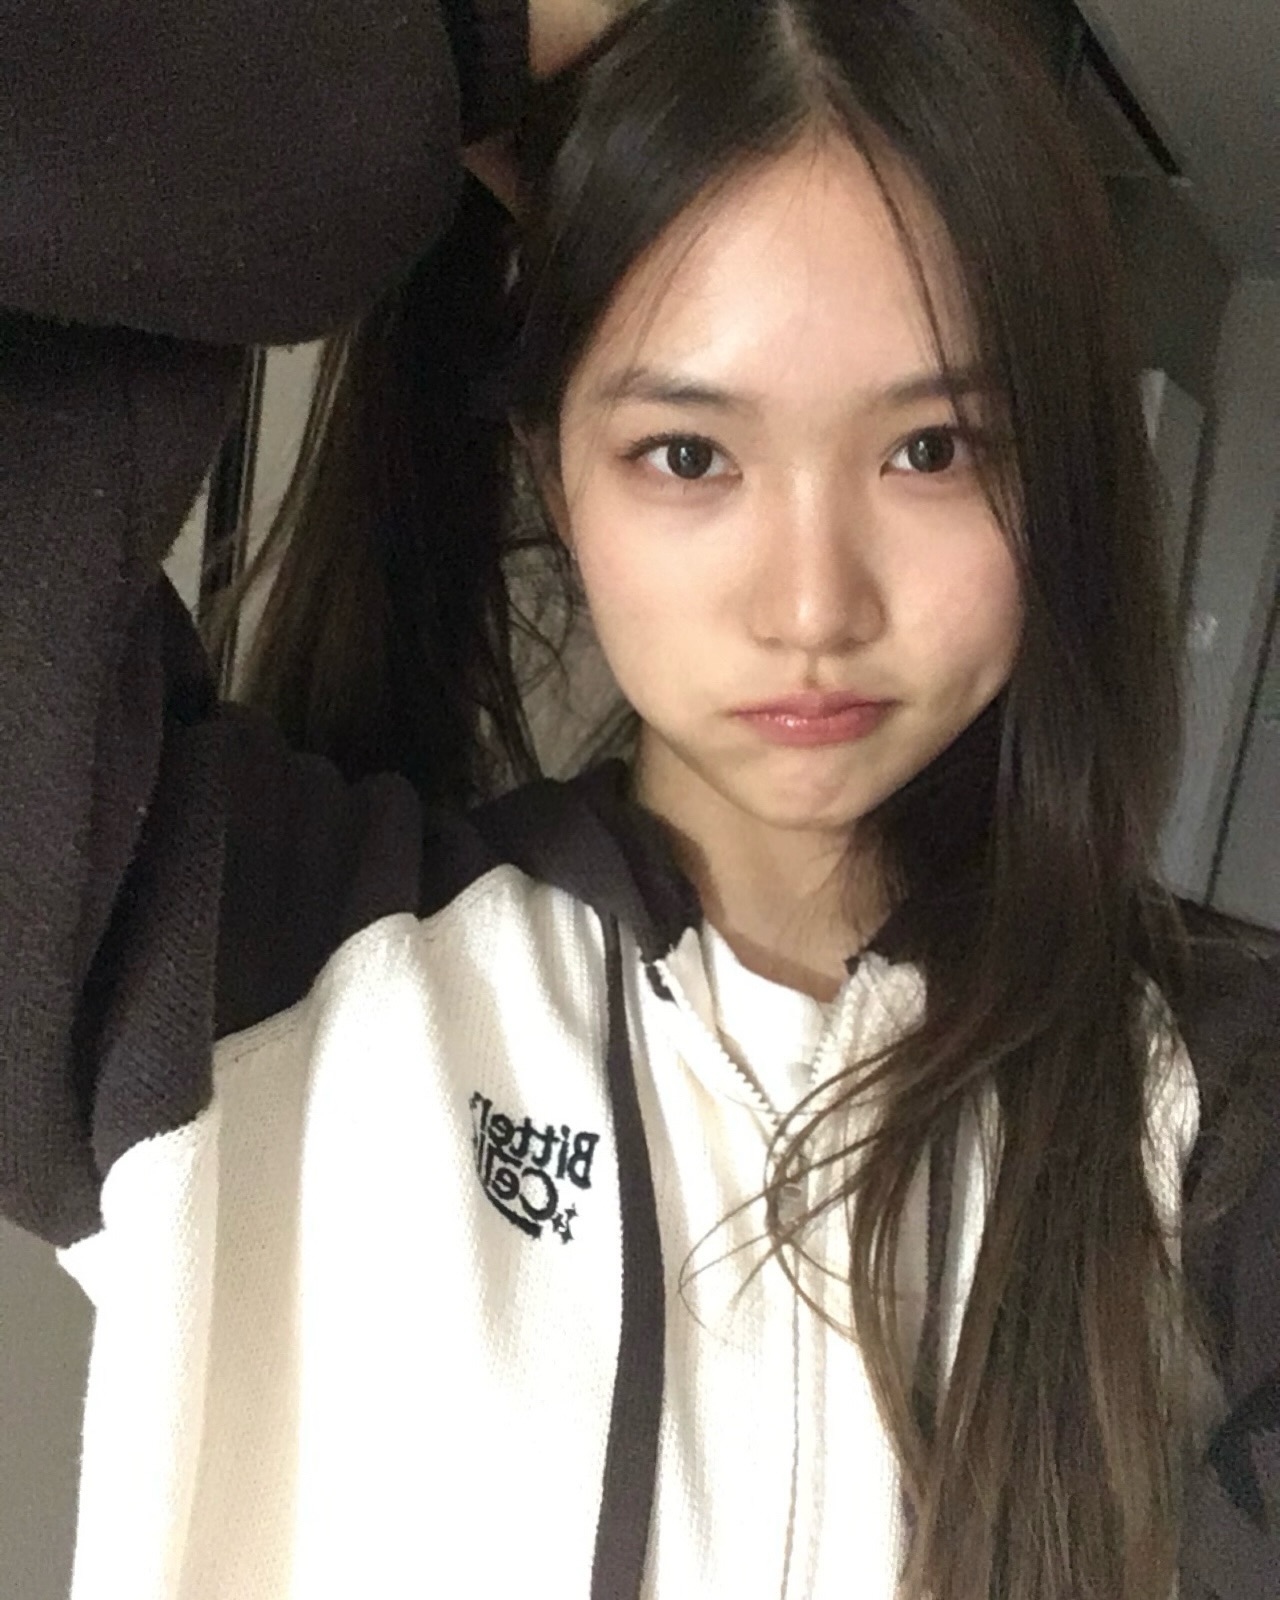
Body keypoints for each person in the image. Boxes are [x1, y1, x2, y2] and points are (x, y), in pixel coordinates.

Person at [0, 2, 1277, 1598]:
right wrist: (445, 37)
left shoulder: (1224, 1113)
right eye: (688, 455)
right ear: (556, 467)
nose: (812, 604)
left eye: (933, 448)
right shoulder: (219, 960)